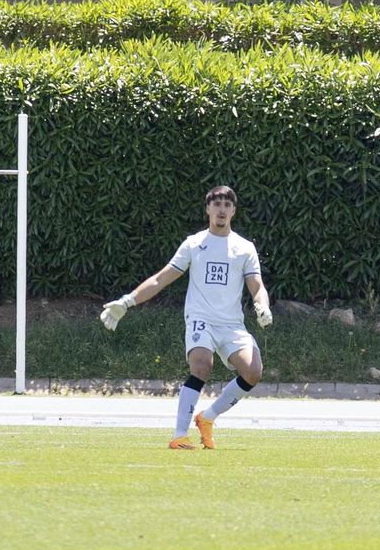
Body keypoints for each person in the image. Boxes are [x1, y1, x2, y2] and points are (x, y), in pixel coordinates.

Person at [100, 185, 272, 449]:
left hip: (231, 324)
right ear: (207, 209)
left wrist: (262, 306)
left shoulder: (244, 248)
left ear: (234, 211)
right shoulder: (194, 243)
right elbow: (160, 279)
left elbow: (256, 285)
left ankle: (208, 418)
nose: (222, 209)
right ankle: (179, 435)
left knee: (253, 371)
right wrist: (127, 302)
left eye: (227, 205)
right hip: (200, 319)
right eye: (217, 204)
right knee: (202, 364)